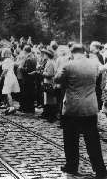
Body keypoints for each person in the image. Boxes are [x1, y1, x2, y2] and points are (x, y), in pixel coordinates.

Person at [55, 44, 107, 178]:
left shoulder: (68, 65)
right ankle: (100, 170)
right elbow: (100, 73)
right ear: (84, 52)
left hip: (72, 108)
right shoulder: (93, 64)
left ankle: (72, 166)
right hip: (89, 108)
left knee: (71, 139)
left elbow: (57, 79)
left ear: (72, 53)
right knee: (93, 140)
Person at [0, 48, 20, 114]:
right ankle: (9, 106)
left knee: (8, 93)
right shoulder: (11, 60)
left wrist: (0, 77)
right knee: (8, 92)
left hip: (8, 77)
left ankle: (11, 107)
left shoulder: (6, 61)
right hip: (12, 76)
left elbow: (5, 70)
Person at [40, 49, 57, 122]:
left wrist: (42, 73)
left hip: (49, 83)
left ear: (48, 55)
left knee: (49, 100)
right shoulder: (51, 62)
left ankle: (50, 116)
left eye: (45, 54)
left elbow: (50, 74)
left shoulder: (50, 63)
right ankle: (49, 115)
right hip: (49, 82)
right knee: (49, 100)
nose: (44, 55)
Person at [21, 46, 37, 113]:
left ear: (25, 51)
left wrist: (22, 68)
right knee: (31, 94)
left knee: (26, 94)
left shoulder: (28, 59)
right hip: (32, 78)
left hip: (27, 78)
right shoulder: (34, 58)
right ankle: (31, 108)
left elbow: (27, 70)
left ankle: (27, 109)